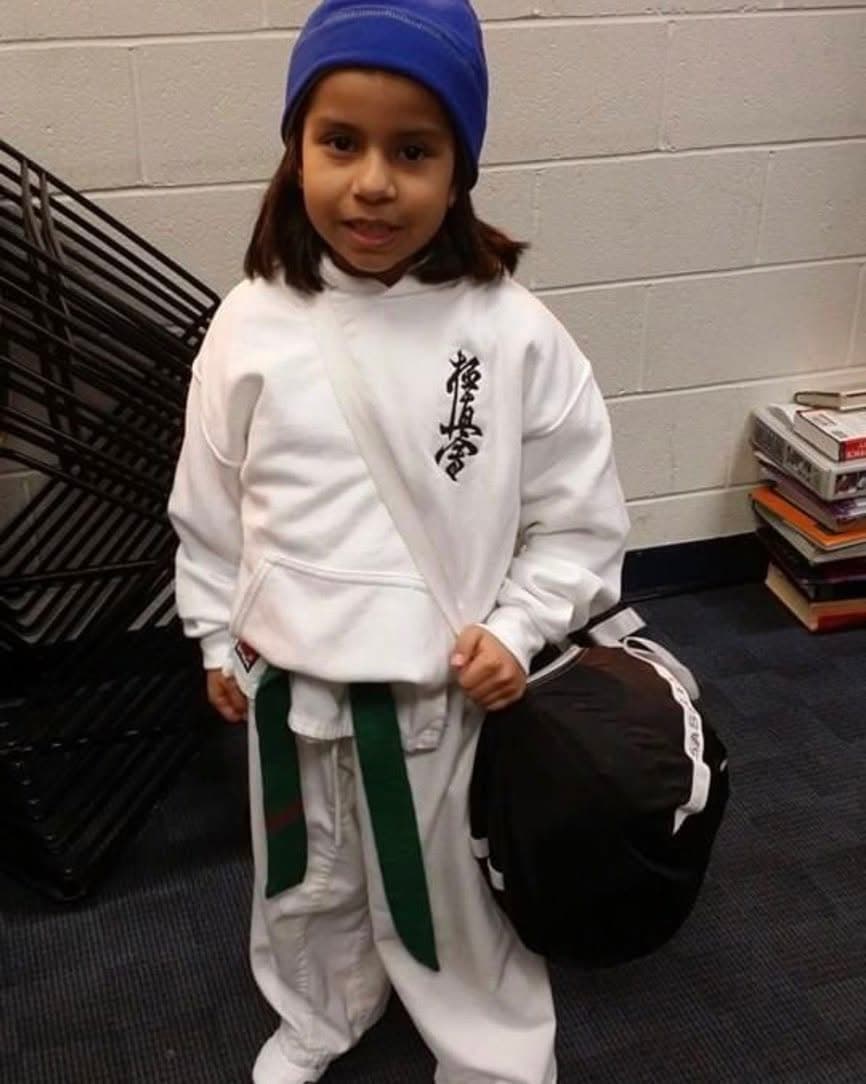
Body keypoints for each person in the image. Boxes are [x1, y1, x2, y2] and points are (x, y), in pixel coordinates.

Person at [168, 1, 630, 1081]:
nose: (371, 183)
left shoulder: (509, 332)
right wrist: (210, 632)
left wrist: (517, 629)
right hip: (287, 680)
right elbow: (211, 504)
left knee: (448, 893)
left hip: (435, 692)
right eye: (339, 142)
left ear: (458, 169)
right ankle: (319, 1011)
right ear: (295, 149)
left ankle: (491, 1056)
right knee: (305, 877)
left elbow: (578, 514)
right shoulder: (249, 322)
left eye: (412, 151)